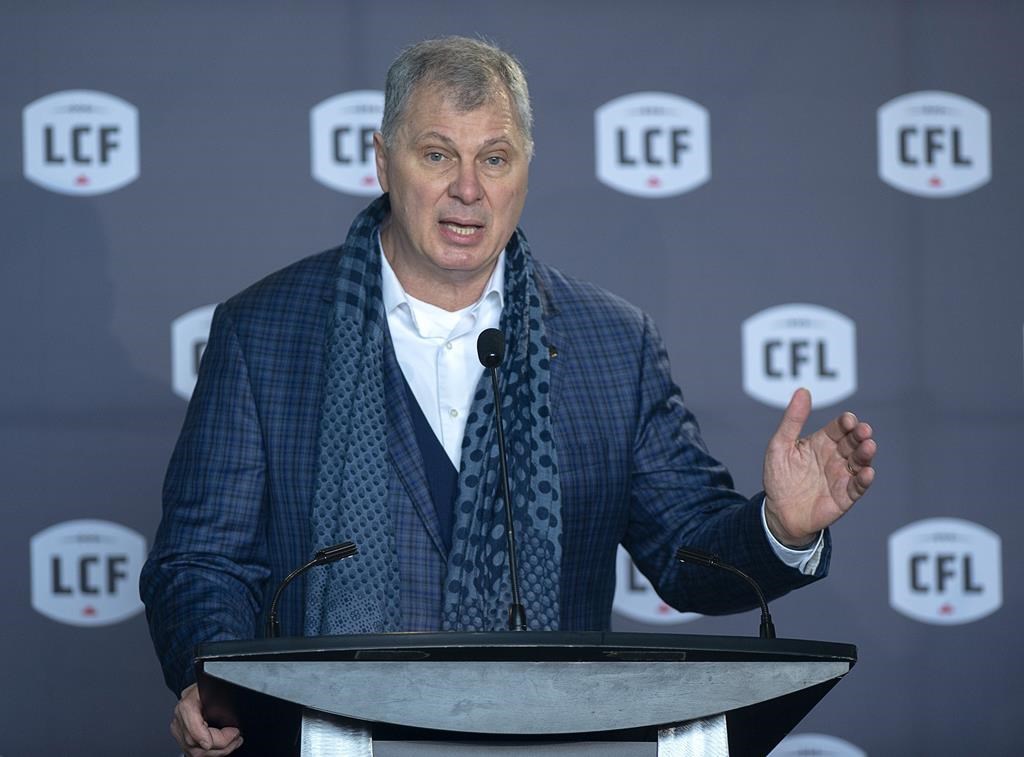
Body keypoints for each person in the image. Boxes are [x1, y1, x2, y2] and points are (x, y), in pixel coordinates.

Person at [141, 36, 877, 756]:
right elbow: (201, 561)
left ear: (525, 168)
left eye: (494, 159)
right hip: (324, 739)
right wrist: (218, 681)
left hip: (556, 742)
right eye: (438, 156)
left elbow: (689, 553)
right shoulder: (265, 331)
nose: (469, 189)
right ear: (383, 160)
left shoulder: (612, 343)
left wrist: (780, 527)